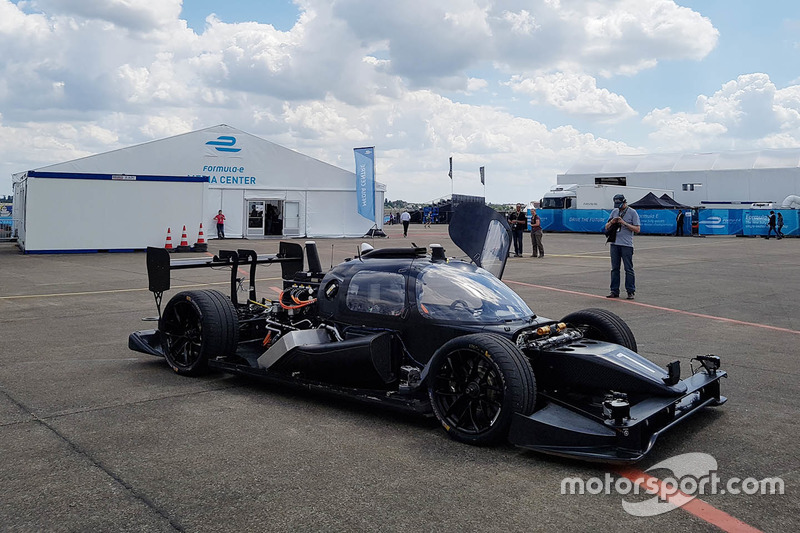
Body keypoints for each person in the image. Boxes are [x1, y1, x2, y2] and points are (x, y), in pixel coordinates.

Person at [605, 194, 640, 300]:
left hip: (626, 245)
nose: (618, 207)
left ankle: (630, 291)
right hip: (614, 243)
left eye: (620, 204)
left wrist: (624, 223)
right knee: (614, 269)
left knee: (628, 269)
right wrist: (612, 222)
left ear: (624, 202)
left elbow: (637, 229)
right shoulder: (614, 212)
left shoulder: (632, 212)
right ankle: (614, 291)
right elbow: (606, 227)